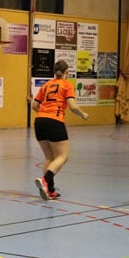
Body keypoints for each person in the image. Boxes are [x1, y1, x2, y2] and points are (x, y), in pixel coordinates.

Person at [31, 60, 89, 200]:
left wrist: (44, 113)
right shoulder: (67, 85)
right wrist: (83, 114)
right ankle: (46, 179)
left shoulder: (46, 85)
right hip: (55, 122)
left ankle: (49, 189)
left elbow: (34, 105)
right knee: (63, 156)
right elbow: (72, 106)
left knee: (50, 158)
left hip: (39, 121)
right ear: (66, 72)